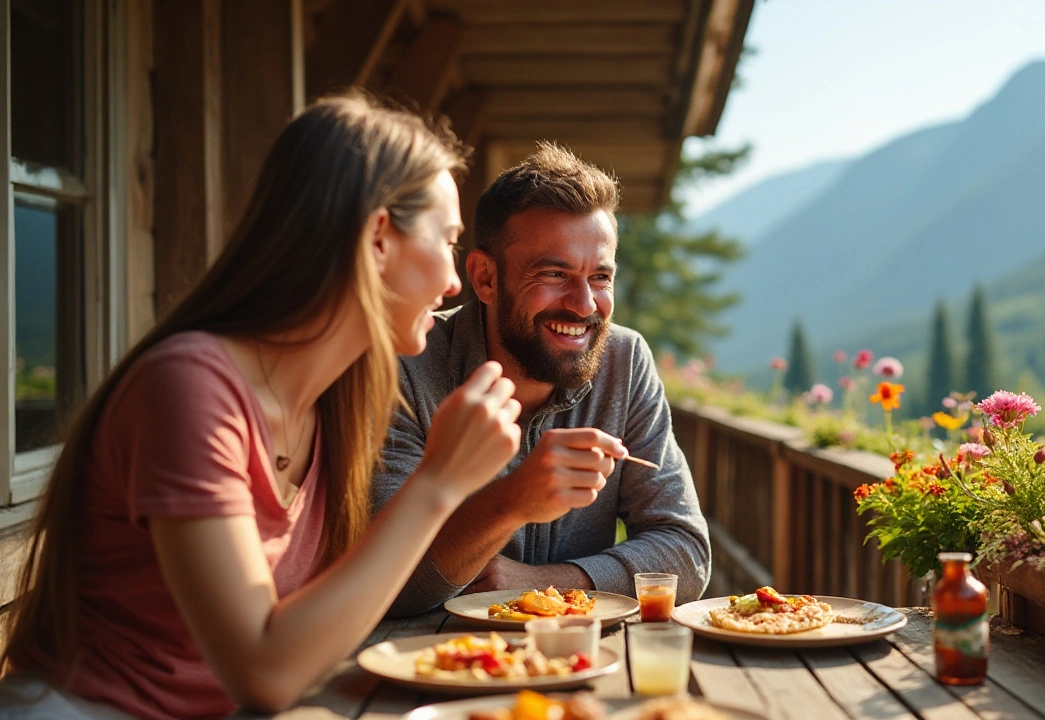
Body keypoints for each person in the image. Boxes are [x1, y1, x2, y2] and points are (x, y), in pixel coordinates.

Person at [0, 93, 522, 719]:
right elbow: (263, 671)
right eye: (447, 240)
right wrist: (439, 482)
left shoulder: (340, 405)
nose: (454, 283)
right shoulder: (189, 387)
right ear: (378, 238)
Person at [373, 143, 711, 616]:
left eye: (600, 277)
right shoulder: (405, 368)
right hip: (429, 667)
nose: (585, 304)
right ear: (485, 278)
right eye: (554, 273)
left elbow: (686, 552)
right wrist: (509, 504)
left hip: (589, 663)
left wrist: (542, 583)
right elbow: (384, 583)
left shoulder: (625, 361)